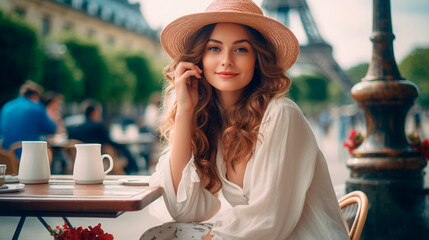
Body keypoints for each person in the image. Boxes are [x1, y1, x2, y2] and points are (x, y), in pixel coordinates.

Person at [142, 1, 349, 239]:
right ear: (198, 59)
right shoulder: (215, 125)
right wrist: (185, 111)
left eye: (241, 49)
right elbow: (184, 209)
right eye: (214, 48)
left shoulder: (281, 114)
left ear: (257, 59)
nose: (226, 60)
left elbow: (267, 220)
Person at [66, 100, 139, 174]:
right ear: (93, 113)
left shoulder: (74, 128)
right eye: (99, 113)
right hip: (99, 161)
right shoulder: (97, 126)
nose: (100, 115)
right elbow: (108, 141)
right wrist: (122, 147)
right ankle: (133, 173)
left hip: (79, 163)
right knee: (126, 154)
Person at [0, 81, 57, 157]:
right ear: (35, 95)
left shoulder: (6, 106)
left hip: (7, 156)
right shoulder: (36, 107)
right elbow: (52, 129)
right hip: (29, 156)